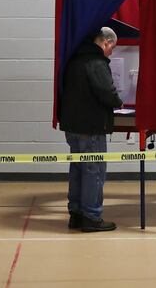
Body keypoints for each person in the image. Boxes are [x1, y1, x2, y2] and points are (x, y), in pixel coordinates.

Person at [59, 27, 123, 232]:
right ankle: (92, 216)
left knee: (77, 169)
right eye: (112, 47)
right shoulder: (96, 62)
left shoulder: (75, 59)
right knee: (94, 172)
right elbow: (106, 91)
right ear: (105, 42)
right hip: (91, 126)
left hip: (73, 125)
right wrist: (118, 102)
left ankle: (76, 214)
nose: (111, 53)